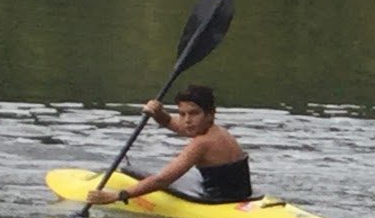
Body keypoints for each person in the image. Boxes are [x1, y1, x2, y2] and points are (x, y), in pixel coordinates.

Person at [86, 84, 253, 205]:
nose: (187, 120)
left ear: (210, 114)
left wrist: (117, 196)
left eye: (194, 113)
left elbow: (162, 180)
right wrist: (158, 113)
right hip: (242, 195)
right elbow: (171, 123)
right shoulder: (217, 132)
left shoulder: (202, 144)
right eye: (182, 114)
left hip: (221, 202)